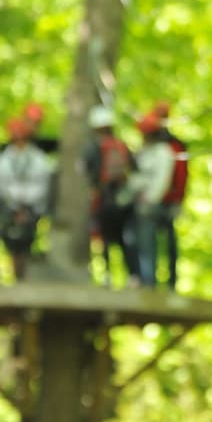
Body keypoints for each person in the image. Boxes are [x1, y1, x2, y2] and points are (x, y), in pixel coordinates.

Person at [83, 105, 139, 286]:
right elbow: (135, 168)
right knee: (126, 239)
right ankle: (133, 277)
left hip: (104, 198)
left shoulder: (93, 147)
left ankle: (107, 276)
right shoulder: (122, 145)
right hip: (124, 199)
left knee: (105, 238)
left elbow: (86, 171)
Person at [0, 118, 53, 280]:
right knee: (11, 242)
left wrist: (27, 202)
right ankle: (15, 275)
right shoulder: (3, 160)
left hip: (33, 208)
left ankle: (27, 275)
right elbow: (1, 184)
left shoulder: (38, 158)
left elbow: (43, 183)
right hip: (10, 208)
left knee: (28, 240)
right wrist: (14, 204)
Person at [127, 109, 180, 289]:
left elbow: (162, 181)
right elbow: (137, 178)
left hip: (153, 206)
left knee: (150, 244)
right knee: (138, 242)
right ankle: (143, 280)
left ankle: (151, 283)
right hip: (138, 204)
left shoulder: (163, 153)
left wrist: (149, 200)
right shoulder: (144, 152)